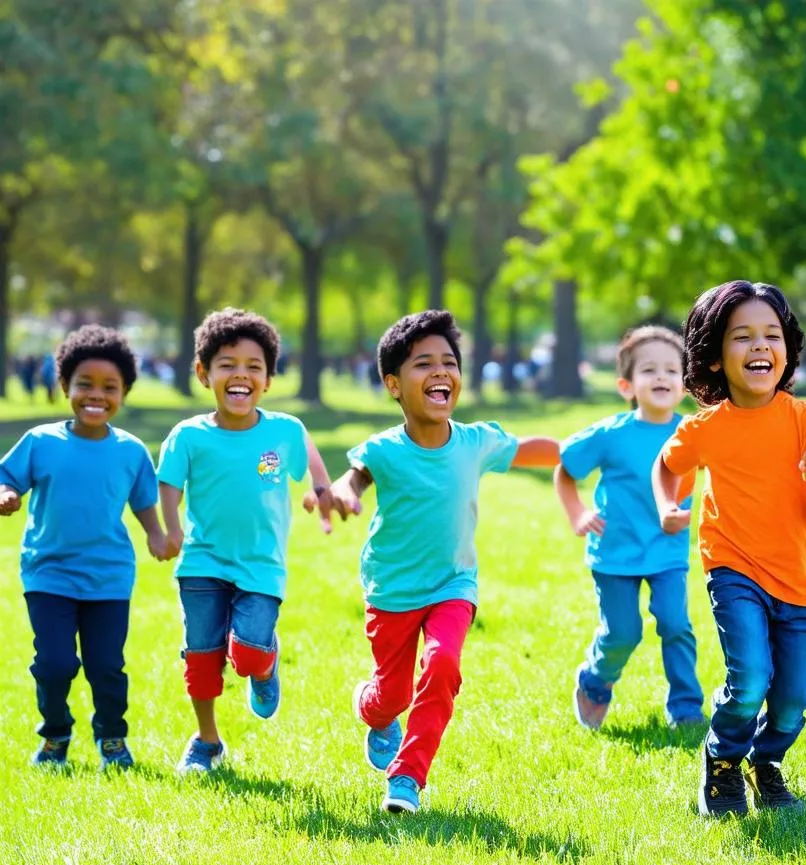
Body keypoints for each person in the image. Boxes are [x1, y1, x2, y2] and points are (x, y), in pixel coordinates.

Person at [329, 309, 560, 814]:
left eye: (449, 362)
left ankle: (408, 777)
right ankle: (372, 706)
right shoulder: (384, 449)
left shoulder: (475, 442)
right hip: (391, 590)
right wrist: (344, 493)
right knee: (391, 697)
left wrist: (577, 454)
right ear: (393, 384)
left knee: (443, 664)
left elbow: (526, 450)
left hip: (453, 584)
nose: (440, 372)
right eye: (422, 364)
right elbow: (356, 476)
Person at [653, 281, 806, 817]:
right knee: (750, 680)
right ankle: (721, 764)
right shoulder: (706, 428)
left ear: (787, 350)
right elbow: (667, 467)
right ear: (715, 357)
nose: (760, 346)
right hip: (733, 567)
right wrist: (668, 507)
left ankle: (767, 763)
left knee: (790, 701)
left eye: (771, 335)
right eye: (743, 337)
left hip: (799, 581)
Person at [157, 308, 334, 775]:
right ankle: (207, 741)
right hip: (202, 561)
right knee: (201, 657)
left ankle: (264, 663)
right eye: (227, 364)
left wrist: (321, 490)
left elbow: (310, 456)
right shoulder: (187, 435)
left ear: (269, 379)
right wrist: (171, 528)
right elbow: (170, 484)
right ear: (203, 373)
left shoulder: (284, 430)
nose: (241, 375)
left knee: (249, 652)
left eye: (254, 366)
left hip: (260, 564)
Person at [0, 326, 169, 769]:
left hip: (109, 577)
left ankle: (112, 737)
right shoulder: (40, 442)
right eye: (84, 385)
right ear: (64, 387)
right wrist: (6, 494)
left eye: (109, 387)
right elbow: (7, 478)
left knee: (106, 666)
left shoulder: (131, 451)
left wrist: (155, 533)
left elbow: (144, 502)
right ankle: (55, 735)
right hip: (48, 572)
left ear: (125, 392)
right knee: (54, 664)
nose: (96, 395)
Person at [555, 325, 702, 731]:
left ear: (685, 385)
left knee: (675, 623)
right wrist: (577, 514)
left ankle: (687, 708)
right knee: (623, 632)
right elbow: (565, 470)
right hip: (614, 551)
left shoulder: (692, 433)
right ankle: (596, 679)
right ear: (626, 385)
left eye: (672, 371)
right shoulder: (610, 434)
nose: (661, 378)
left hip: (668, 550)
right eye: (649, 370)